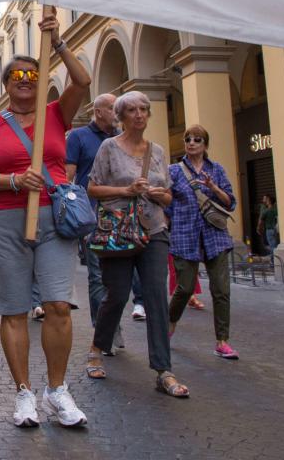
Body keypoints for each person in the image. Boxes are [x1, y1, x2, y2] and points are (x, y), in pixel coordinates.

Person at [0, 11, 90, 429]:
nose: (24, 78)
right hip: (4, 219)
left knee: (58, 305)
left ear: (39, 81)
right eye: (16, 74)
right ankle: (23, 393)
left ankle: (56, 391)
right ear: (5, 85)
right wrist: (17, 179)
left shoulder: (57, 114)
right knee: (15, 308)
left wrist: (56, 43)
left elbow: (83, 81)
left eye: (31, 74)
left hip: (54, 217)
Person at [86, 90, 187, 398]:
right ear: (121, 116)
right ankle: (96, 348)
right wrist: (128, 189)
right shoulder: (108, 148)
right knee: (116, 295)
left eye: (145, 109)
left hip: (154, 229)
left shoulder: (157, 151)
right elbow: (92, 188)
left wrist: (159, 195)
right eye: (132, 110)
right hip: (119, 231)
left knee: (156, 296)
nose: (140, 114)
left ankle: (163, 370)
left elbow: (168, 195)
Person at [64, 92, 142, 339]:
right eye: (113, 108)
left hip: (125, 214)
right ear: (98, 111)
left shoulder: (124, 138)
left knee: (121, 275)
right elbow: (68, 176)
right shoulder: (78, 137)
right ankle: (104, 331)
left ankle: (112, 322)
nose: (119, 113)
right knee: (97, 275)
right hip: (92, 215)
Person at [167, 124, 238, 359]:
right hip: (184, 235)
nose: (192, 143)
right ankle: (170, 321)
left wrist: (212, 187)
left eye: (197, 139)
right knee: (185, 287)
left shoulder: (216, 170)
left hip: (215, 236)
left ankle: (222, 340)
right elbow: (166, 202)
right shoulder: (175, 171)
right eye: (188, 139)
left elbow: (230, 203)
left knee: (221, 290)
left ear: (205, 144)